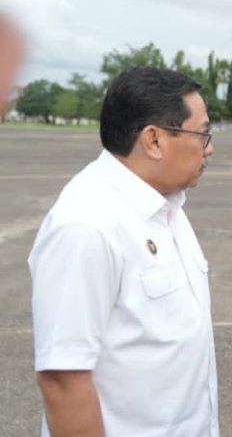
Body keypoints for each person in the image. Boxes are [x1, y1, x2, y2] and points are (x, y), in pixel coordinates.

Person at [30, 67, 218, 436]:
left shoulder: (167, 207)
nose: (209, 147)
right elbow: (63, 380)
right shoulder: (86, 225)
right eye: (203, 133)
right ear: (154, 140)